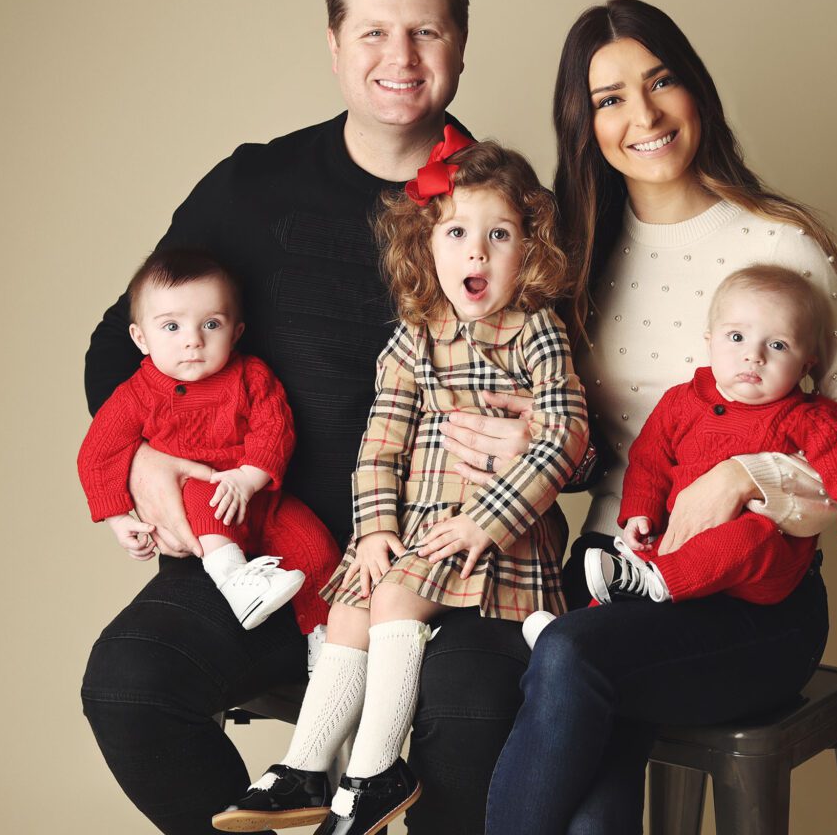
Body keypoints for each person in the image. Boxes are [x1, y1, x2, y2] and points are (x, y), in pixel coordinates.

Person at [81, 0, 541, 835]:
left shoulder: (508, 208)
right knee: (131, 684)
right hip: (273, 550)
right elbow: (116, 342)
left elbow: (583, 403)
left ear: (460, 47)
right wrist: (139, 466)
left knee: (481, 719)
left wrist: (540, 440)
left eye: (426, 33)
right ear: (333, 46)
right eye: (372, 33)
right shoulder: (253, 187)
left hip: (453, 567)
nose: (399, 59)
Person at [484, 0, 837, 835]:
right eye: (609, 99)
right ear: (584, 124)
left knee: (569, 657)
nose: (642, 115)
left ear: (696, 91)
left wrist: (742, 476)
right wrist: (536, 441)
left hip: (753, 598)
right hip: (621, 566)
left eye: (661, 81)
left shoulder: (777, 243)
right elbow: (598, 444)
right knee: (582, 777)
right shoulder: (579, 255)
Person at [214, 137, 587, 835]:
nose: (475, 253)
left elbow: (565, 436)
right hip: (416, 536)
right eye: (456, 233)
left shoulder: (538, 333)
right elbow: (380, 443)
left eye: (498, 235)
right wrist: (377, 528)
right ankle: (307, 766)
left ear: (528, 251)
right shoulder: (414, 339)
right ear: (427, 247)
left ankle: (378, 768)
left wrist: (488, 522)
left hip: (492, 544)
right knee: (351, 603)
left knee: (387, 595)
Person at [579, 264, 837, 612]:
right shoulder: (681, 402)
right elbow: (649, 460)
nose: (753, 356)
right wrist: (640, 511)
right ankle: (575, 625)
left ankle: (657, 581)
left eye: (777, 345)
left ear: (805, 367)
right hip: (680, 535)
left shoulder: (808, 417)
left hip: (760, 566)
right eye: (737, 337)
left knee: (751, 535)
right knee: (641, 556)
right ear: (709, 341)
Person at [78, 249, 341, 663]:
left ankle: (325, 643)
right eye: (171, 326)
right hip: (201, 504)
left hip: (258, 498)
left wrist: (250, 477)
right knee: (205, 495)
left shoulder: (250, 375)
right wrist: (117, 518)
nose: (192, 340)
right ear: (140, 338)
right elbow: (98, 453)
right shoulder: (136, 394)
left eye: (211, 324)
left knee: (317, 548)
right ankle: (237, 582)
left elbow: (275, 426)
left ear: (236, 332)